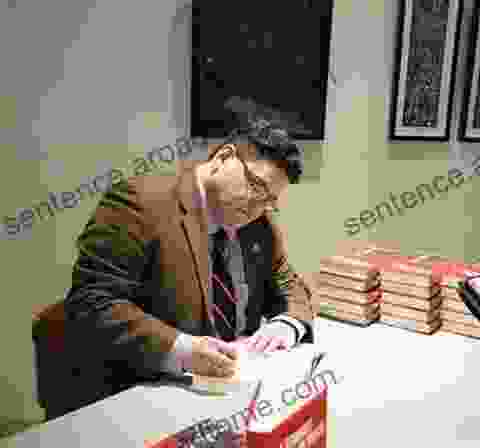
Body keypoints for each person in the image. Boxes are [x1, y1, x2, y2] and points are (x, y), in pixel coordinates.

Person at [40, 119, 315, 420]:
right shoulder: (140, 204)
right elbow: (93, 302)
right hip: (147, 392)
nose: (258, 206)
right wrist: (182, 350)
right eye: (256, 186)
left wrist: (287, 324)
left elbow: (291, 285)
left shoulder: (258, 225)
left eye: (270, 200)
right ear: (223, 158)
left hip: (231, 394)